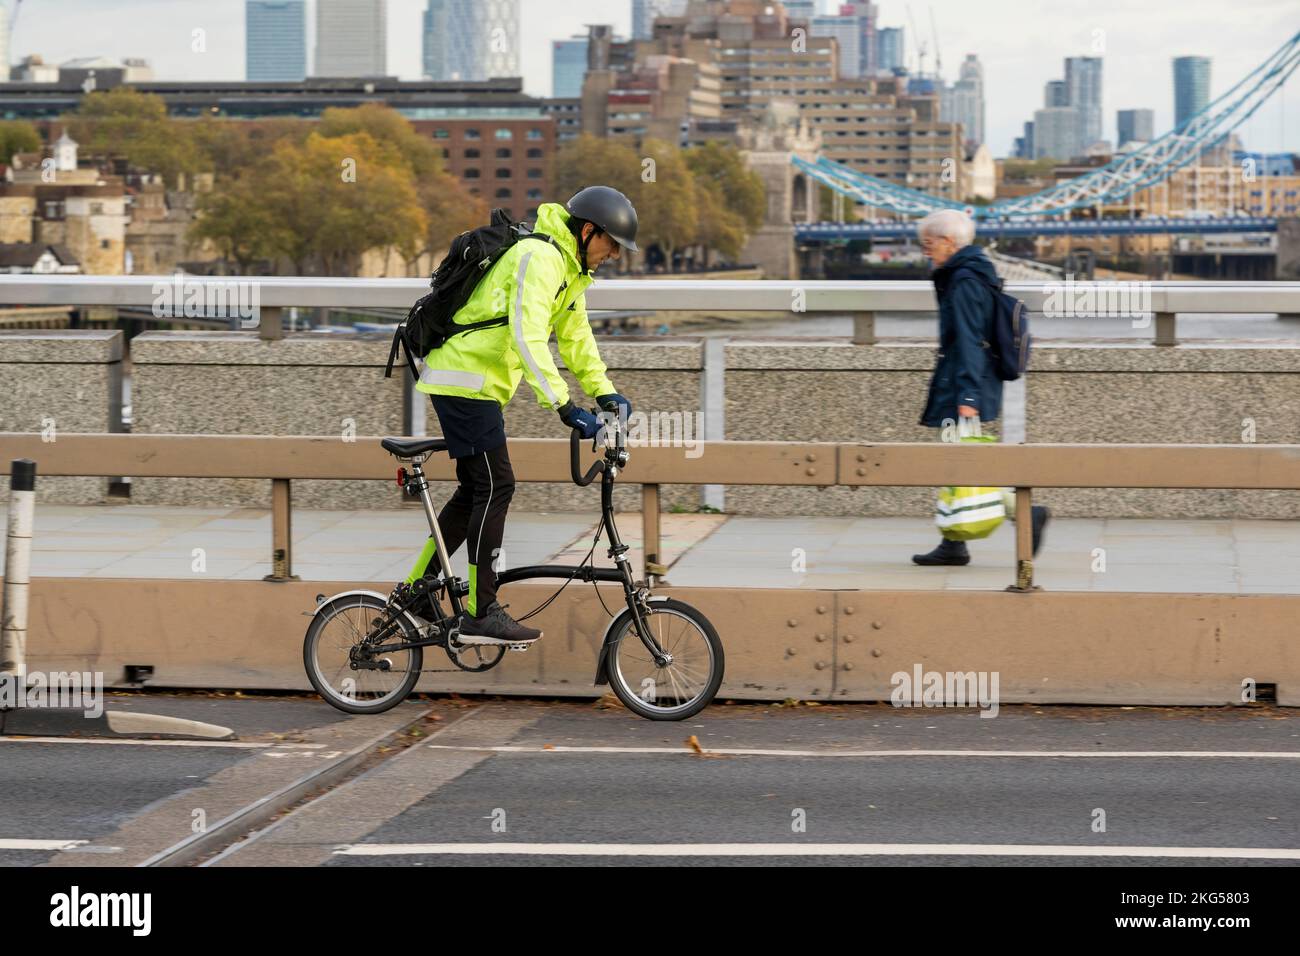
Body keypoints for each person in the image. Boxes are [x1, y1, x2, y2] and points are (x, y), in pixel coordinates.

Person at [393, 186, 638, 644]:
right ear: (588, 232)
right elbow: (528, 337)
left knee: (474, 489)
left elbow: (575, 338)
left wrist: (605, 392)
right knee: (496, 485)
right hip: (464, 380)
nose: (615, 256)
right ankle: (480, 611)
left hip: (476, 385)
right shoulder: (538, 258)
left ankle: (419, 589)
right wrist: (564, 406)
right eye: (612, 245)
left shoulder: (570, 269)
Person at [912, 209, 1048, 566]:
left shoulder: (965, 281)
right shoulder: (964, 274)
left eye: (928, 243)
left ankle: (1025, 514)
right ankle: (953, 543)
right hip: (964, 383)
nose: (925, 251)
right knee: (955, 462)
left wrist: (968, 398)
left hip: (964, 387)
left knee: (962, 462)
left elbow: (970, 342)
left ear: (948, 242)